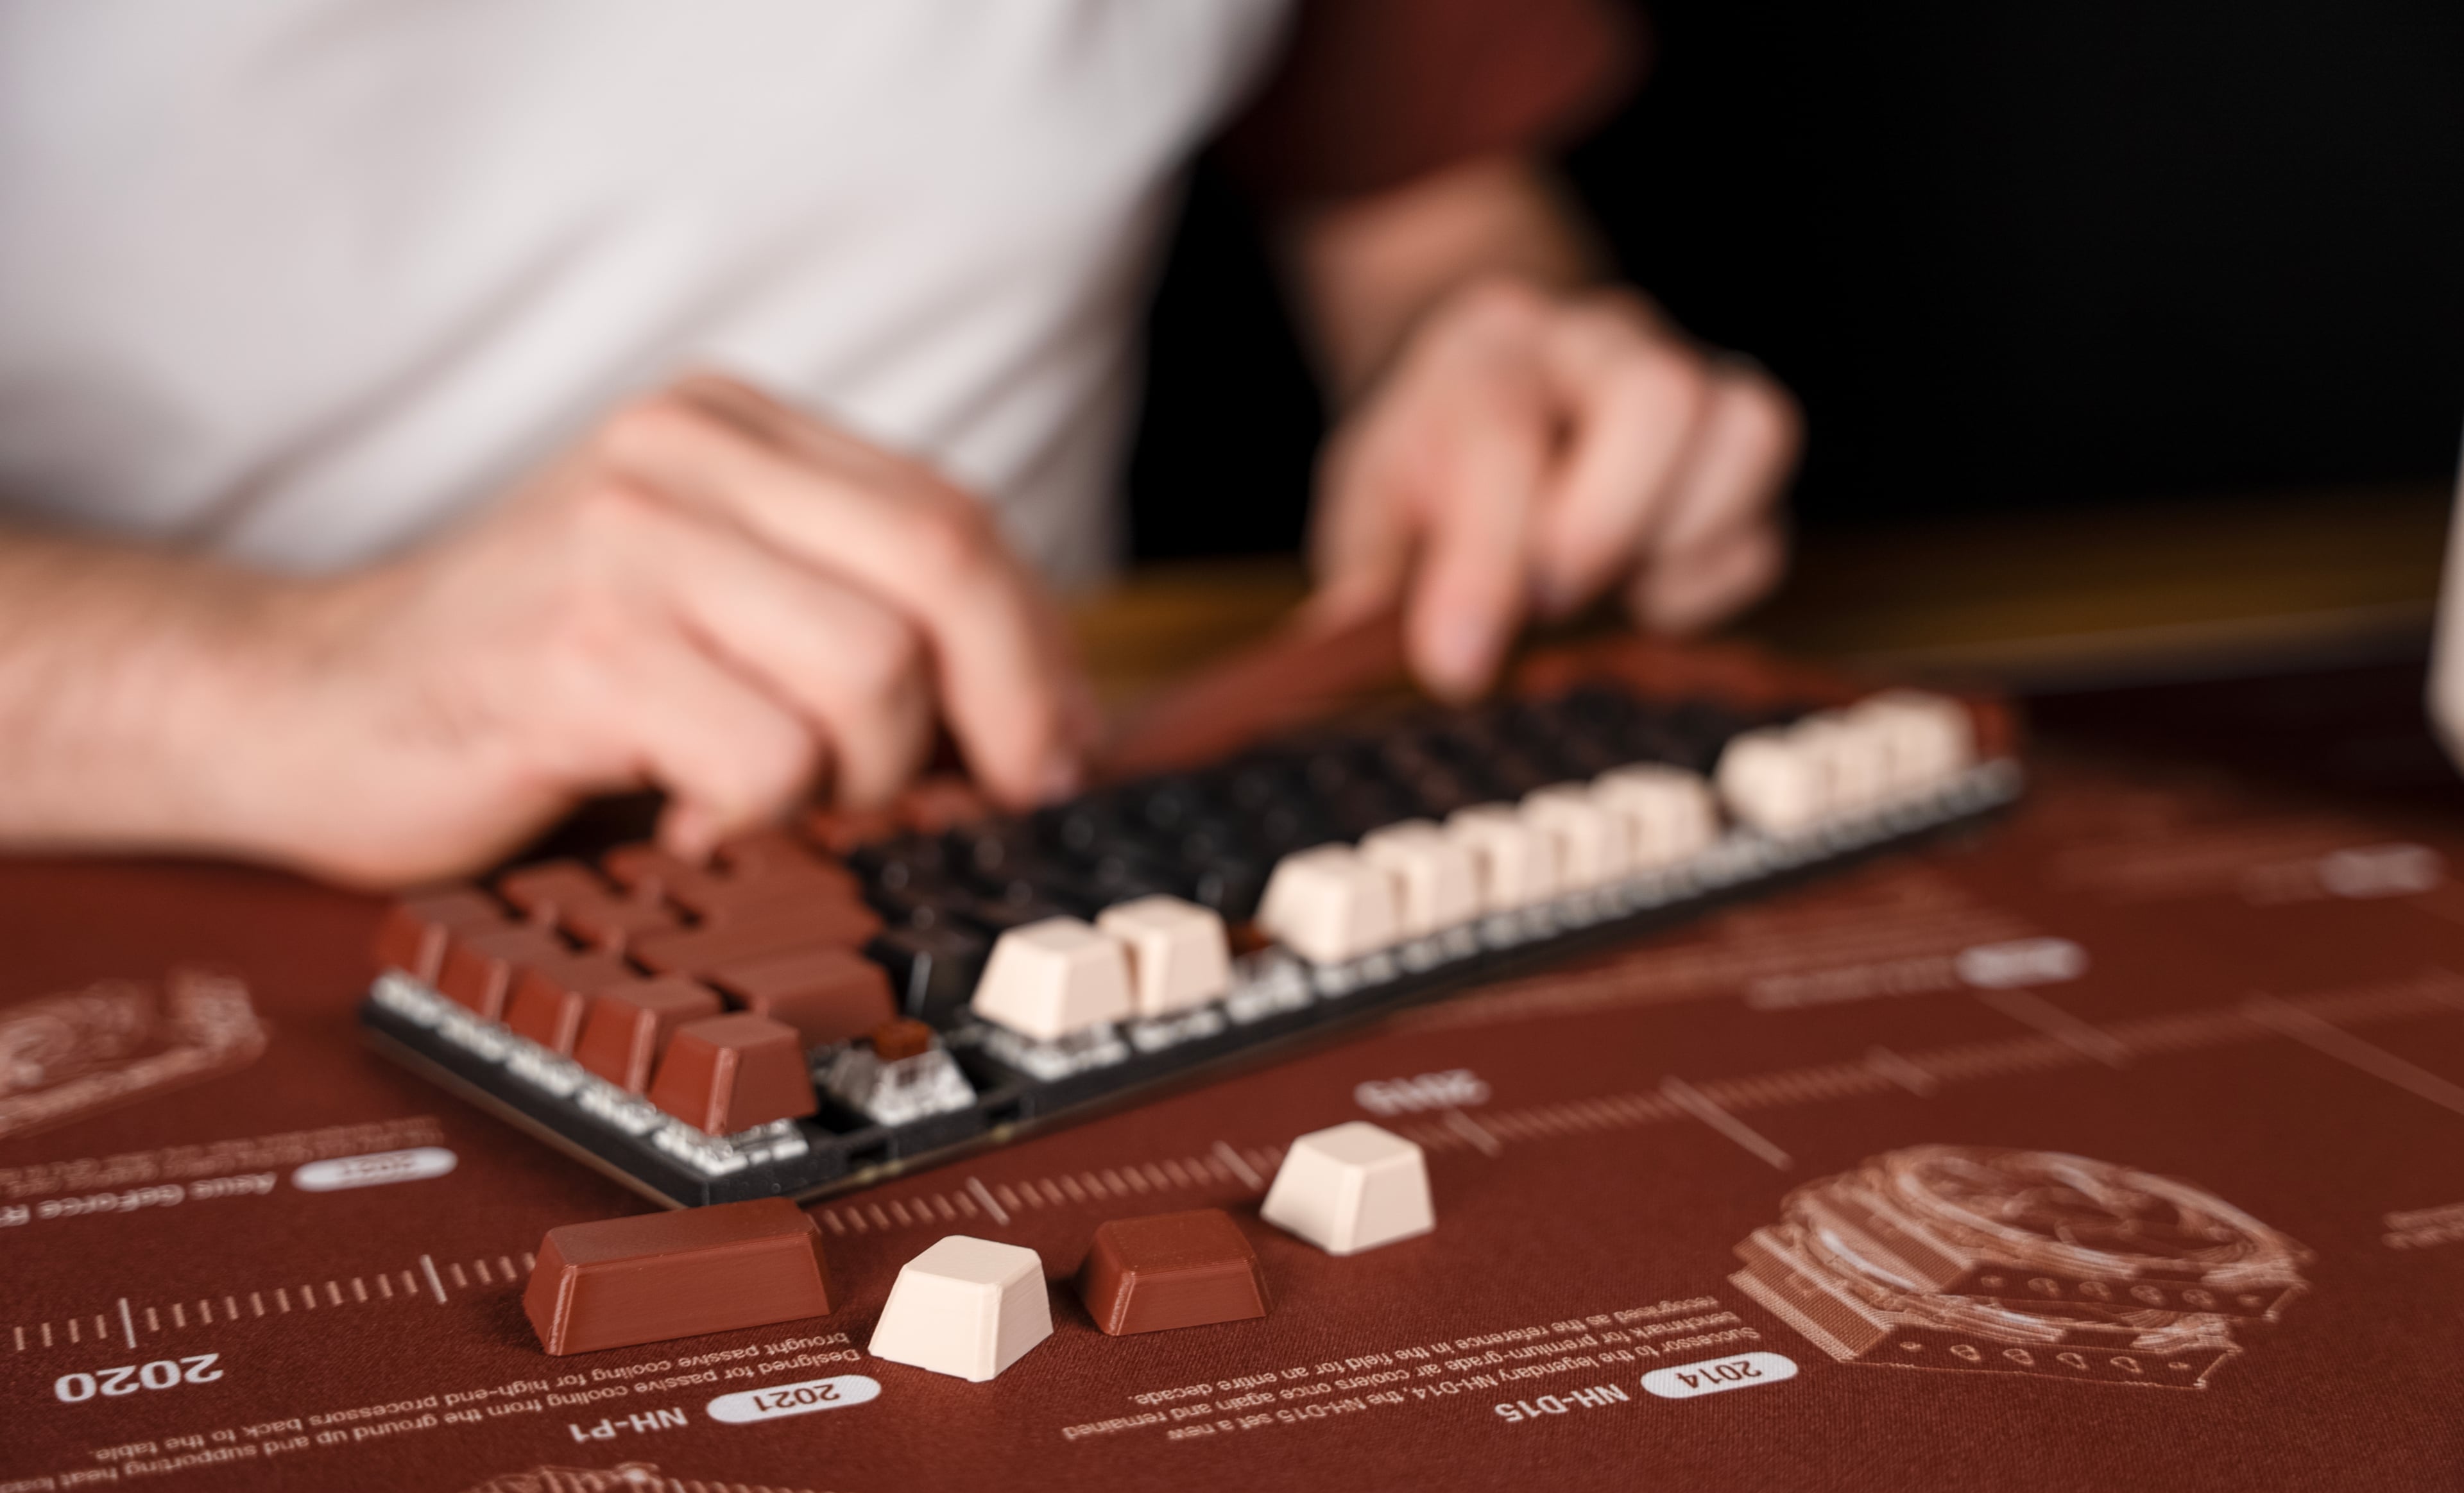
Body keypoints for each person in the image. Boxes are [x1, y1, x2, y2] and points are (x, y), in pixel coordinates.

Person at [0, 0, 1799, 887]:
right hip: (145, 851)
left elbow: (1420, 199)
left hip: (1055, 828)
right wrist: (269, 680)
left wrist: (1497, 362)